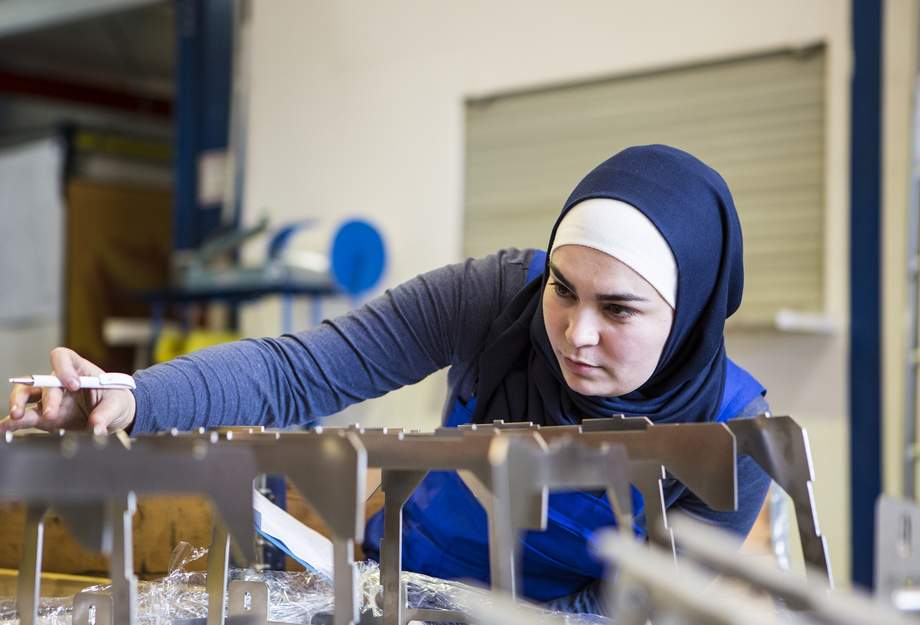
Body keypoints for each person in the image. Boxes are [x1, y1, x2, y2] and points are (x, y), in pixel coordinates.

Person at [5, 144, 771, 613]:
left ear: (691, 315)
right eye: (564, 288)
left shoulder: (730, 433)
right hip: (393, 582)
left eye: (620, 309)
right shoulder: (494, 298)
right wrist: (133, 396)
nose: (577, 332)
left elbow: (647, 604)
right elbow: (297, 372)